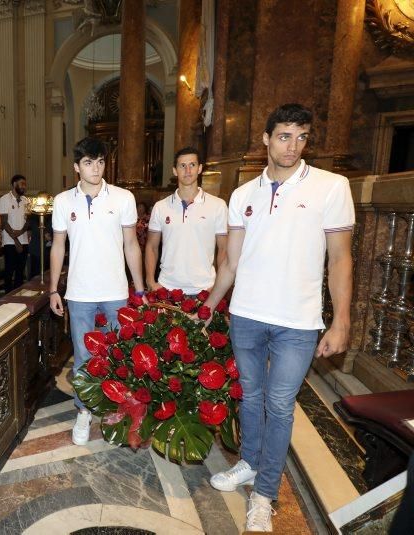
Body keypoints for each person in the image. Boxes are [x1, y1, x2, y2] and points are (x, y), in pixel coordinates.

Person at [202, 104, 354, 532]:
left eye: (302, 136)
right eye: (284, 136)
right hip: (246, 315)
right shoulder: (242, 195)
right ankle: (250, 462)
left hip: (298, 320)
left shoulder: (331, 187)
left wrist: (340, 320)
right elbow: (230, 264)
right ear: (266, 139)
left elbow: (341, 260)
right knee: (250, 397)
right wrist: (208, 306)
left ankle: (265, 493)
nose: (293, 145)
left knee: (279, 404)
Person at [49, 136, 147, 446]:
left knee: (120, 354)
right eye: (89, 162)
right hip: (79, 291)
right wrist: (54, 289)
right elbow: (58, 246)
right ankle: (83, 411)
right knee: (82, 355)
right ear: (76, 166)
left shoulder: (123, 198)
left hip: (115, 290)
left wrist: (140, 289)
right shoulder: (63, 201)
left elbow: (132, 244)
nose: (96, 168)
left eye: (101, 162)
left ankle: (118, 410)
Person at [145, 147, 227, 295]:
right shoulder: (161, 207)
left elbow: (223, 249)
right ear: (175, 170)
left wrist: (218, 286)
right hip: (167, 288)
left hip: (205, 289)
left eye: (192, 165)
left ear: (200, 168)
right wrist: (150, 281)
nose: (188, 170)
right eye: (182, 166)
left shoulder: (218, 206)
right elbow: (151, 246)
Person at [0, 174, 30, 293]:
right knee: (9, 271)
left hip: (24, 241)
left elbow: (28, 221)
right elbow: (4, 223)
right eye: (22, 184)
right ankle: (8, 297)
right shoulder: (4, 199)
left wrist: (21, 232)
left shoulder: (25, 200)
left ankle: (18, 296)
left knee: (20, 271)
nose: (24, 186)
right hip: (10, 242)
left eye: (25, 184)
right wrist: (16, 240)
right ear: (14, 185)